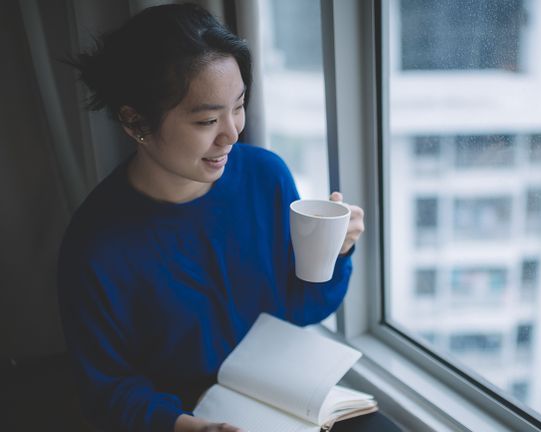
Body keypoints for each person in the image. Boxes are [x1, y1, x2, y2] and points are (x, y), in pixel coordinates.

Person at [58, 4, 368, 431]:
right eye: (207, 119)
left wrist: (337, 251)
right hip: (179, 413)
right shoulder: (96, 245)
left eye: (238, 106)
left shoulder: (265, 175)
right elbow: (108, 387)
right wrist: (188, 425)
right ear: (135, 122)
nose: (232, 133)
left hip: (279, 391)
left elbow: (300, 308)